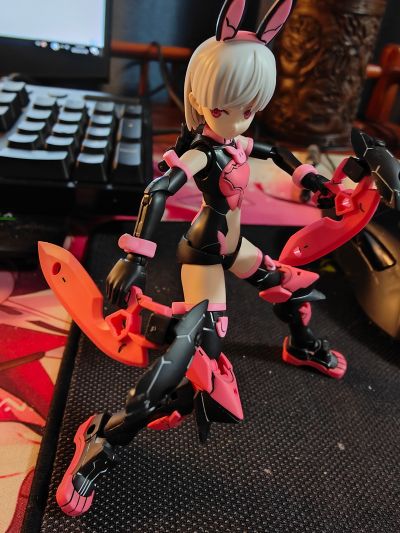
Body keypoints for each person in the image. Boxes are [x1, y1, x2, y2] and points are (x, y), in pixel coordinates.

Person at [56, 0, 345, 516]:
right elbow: (158, 190)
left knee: (292, 286)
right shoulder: (202, 152)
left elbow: (276, 153)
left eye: (250, 109)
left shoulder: (238, 143)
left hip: (236, 246)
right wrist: (135, 256)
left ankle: (301, 345)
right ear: (201, 99)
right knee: (196, 363)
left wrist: (313, 181)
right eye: (228, 109)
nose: (239, 120)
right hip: (206, 253)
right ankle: (103, 436)